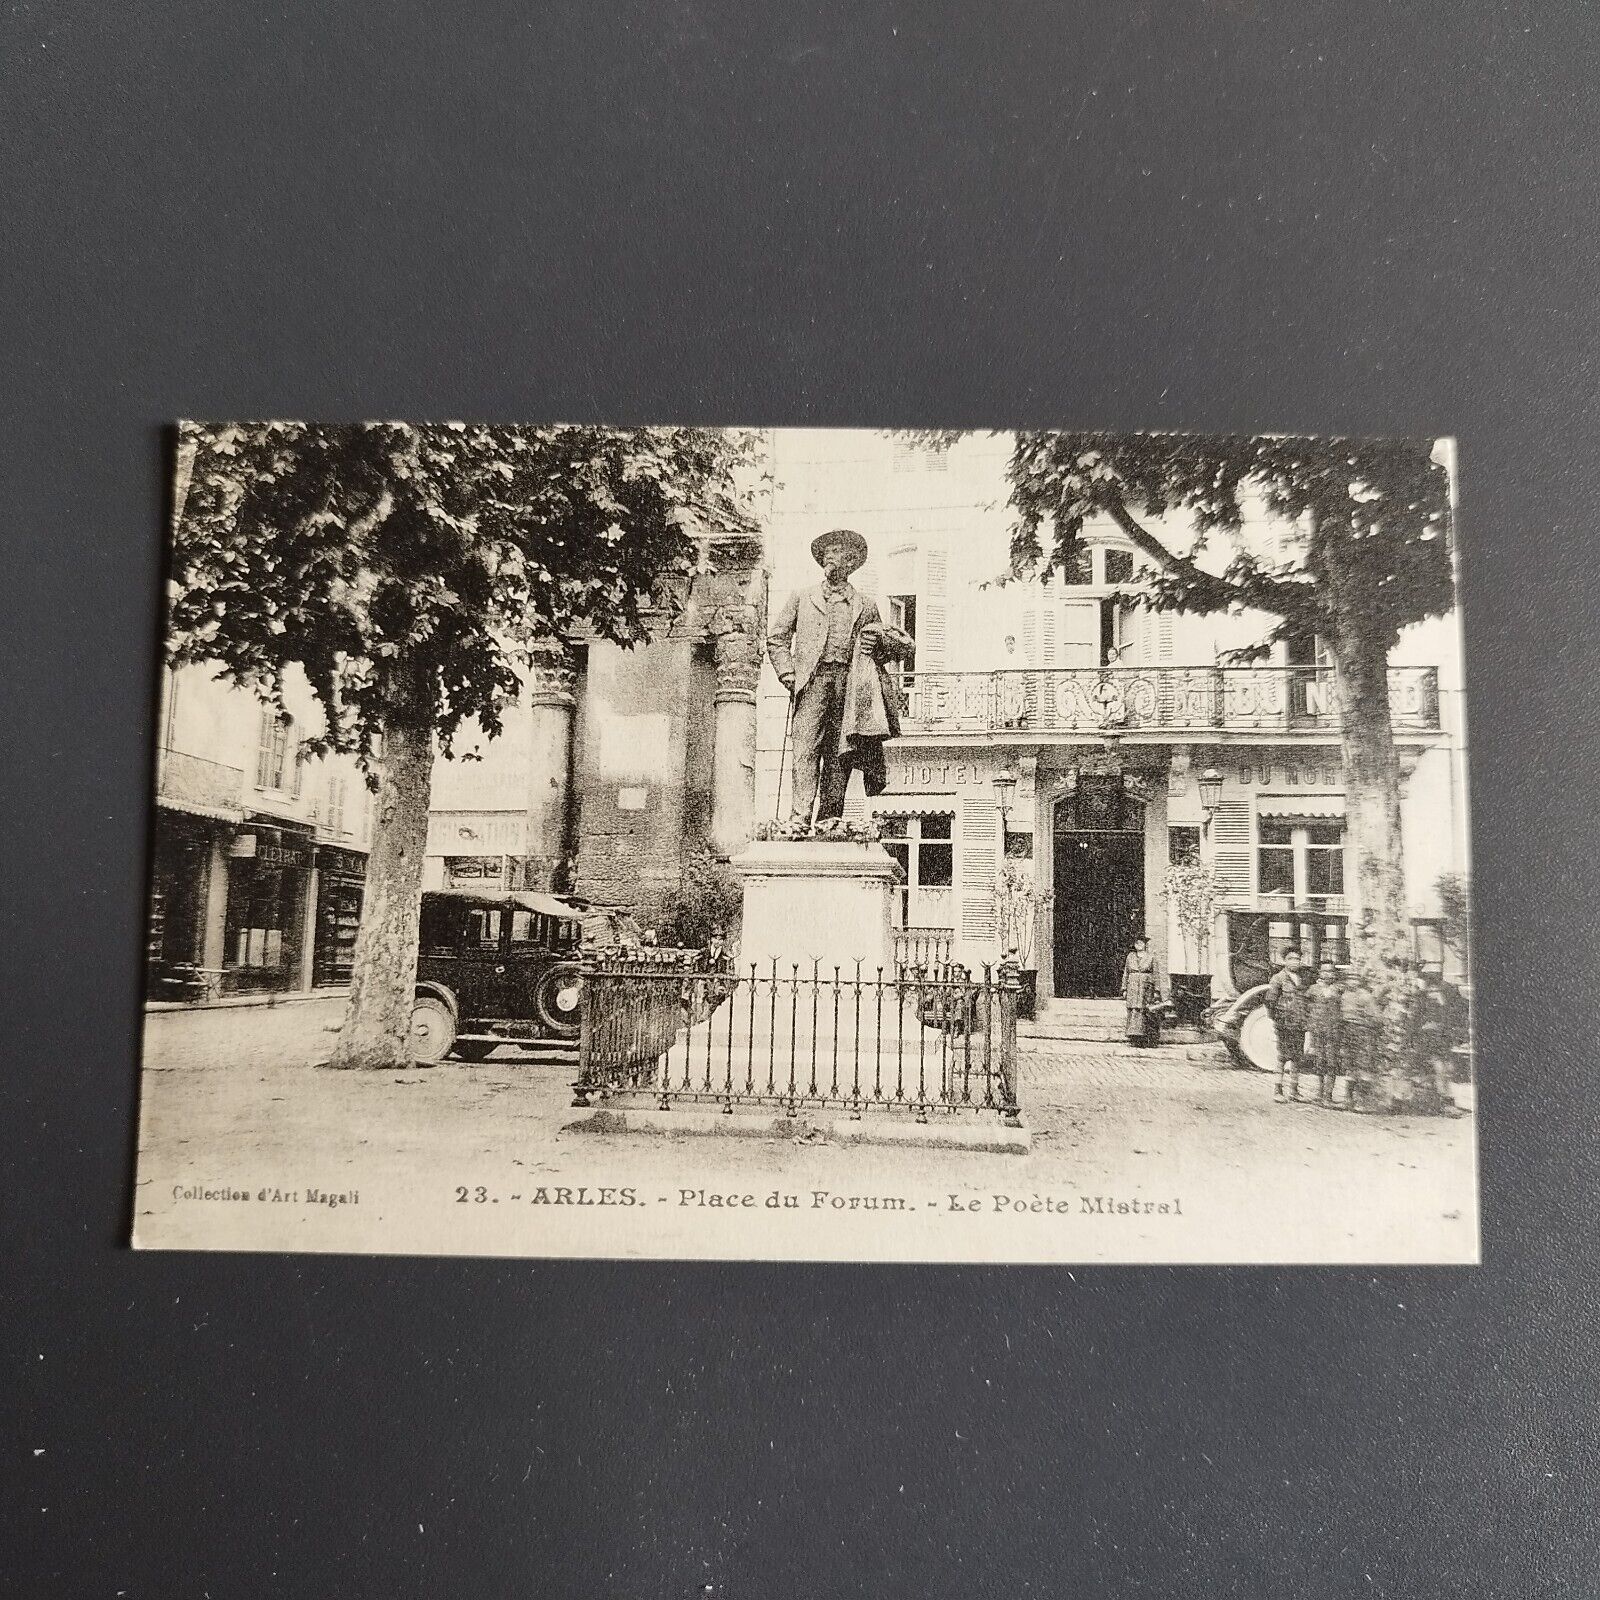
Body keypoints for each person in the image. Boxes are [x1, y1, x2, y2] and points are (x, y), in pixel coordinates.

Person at [766, 529, 914, 824]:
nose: (831, 558)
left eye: (838, 553)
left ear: (851, 562)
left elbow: (885, 649)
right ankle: (799, 818)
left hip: (849, 685)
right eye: (827, 553)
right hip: (812, 682)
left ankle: (829, 819)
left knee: (840, 752)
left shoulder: (866, 604)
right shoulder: (801, 596)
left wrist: (878, 644)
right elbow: (777, 638)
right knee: (805, 748)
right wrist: (787, 673)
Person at [1264, 947, 1309, 1102]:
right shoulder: (1278, 979)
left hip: (1299, 1024)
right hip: (1284, 1024)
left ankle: (1294, 1091)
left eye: (1297, 959)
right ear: (1284, 961)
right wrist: (1278, 1020)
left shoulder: (1302, 979)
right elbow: (1270, 1001)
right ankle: (1278, 1090)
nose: (1294, 962)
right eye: (1291, 958)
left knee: (1297, 1057)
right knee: (1283, 1057)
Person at [1338, 970, 1383, 1112]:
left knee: (1364, 1067)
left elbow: (1377, 1018)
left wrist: (1365, 1024)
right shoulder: (1344, 995)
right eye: (1349, 979)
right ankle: (1348, 1099)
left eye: (1355, 979)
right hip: (1347, 1032)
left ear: (1359, 981)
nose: (1352, 982)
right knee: (1349, 1066)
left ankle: (1362, 1101)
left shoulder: (1366, 996)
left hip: (1363, 1033)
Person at [1304, 958, 1344, 1107]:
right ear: (1320, 973)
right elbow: (1306, 1007)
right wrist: (1310, 1024)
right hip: (1318, 1031)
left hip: (1333, 1031)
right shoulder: (1313, 989)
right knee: (1319, 1061)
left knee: (1332, 1062)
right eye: (1325, 971)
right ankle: (1320, 1092)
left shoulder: (1339, 989)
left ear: (1334, 973)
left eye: (1331, 971)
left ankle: (1328, 1094)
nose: (1328, 974)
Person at [1122, 935, 1161, 1047]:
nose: (1138, 945)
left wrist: (1156, 990)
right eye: (1136, 943)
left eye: (1141, 943)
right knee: (1133, 1010)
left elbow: (1156, 974)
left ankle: (1144, 1038)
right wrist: (1124, 988)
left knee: (1144, 1010)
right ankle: (1133, 1037)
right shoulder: (1130, 956)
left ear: (1145, 944)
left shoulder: (1151, 957)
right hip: (1133, 986)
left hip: (1146, 987)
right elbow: (1126, 973)